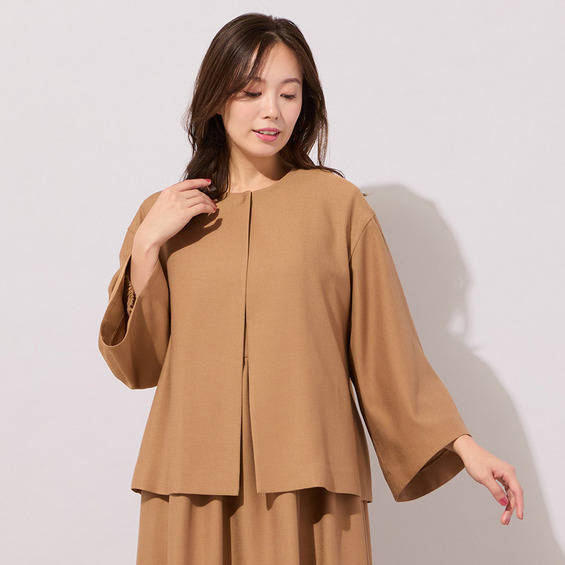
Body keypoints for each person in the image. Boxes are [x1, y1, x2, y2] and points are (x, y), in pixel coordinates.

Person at [98, 12, 524, 565]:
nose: (271, 111)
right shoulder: (166, 216)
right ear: (217, 97)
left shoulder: (337, 207)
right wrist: (146, 246)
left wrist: (463, 447)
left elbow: (385, 351)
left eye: (289, 94)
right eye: (251, 92)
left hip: (309, 482)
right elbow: (138, 365)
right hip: (187, 482)